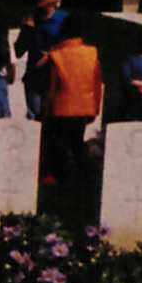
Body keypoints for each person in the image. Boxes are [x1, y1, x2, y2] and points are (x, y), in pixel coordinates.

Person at [37, 17, 103, 192]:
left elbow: (52, 86)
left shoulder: (56, 55)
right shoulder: (92, 53)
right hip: (84, 107)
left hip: (60, 107)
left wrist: (45, 110)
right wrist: (95, 107)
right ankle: (87, 180)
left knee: (58, 144)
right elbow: (97, 83)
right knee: (77, 144)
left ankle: (64, 180)